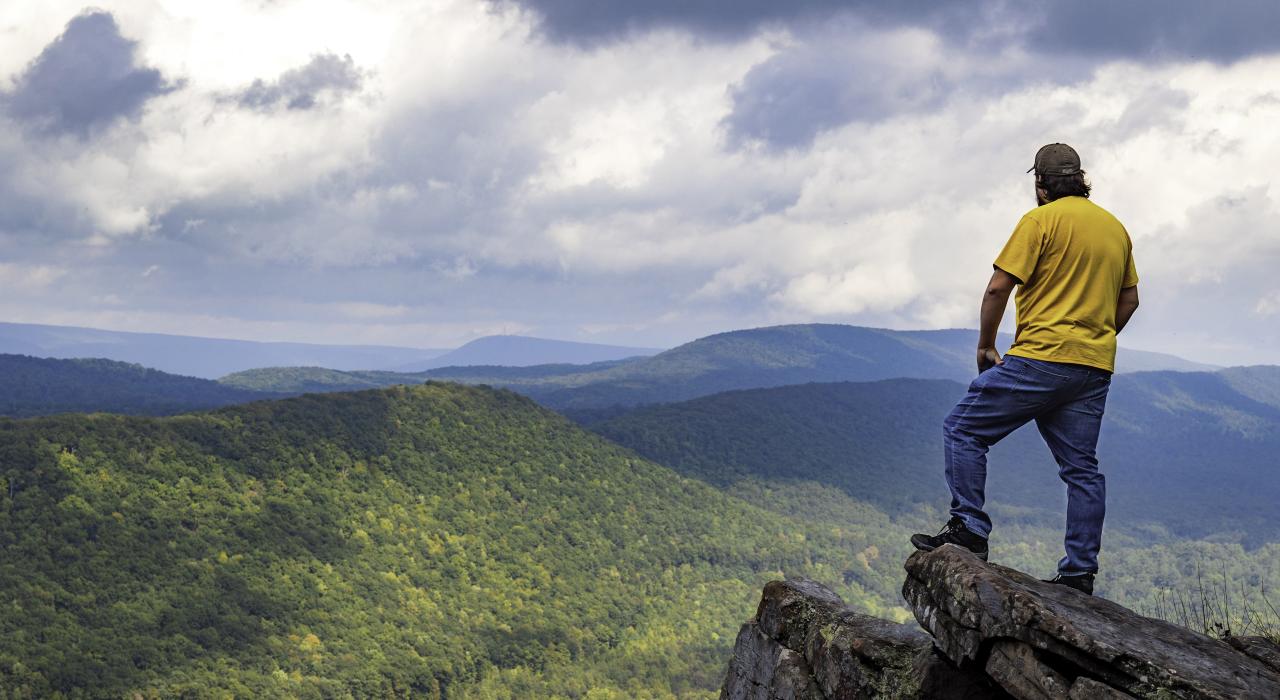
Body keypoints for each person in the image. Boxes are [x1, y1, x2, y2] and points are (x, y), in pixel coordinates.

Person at [910, 143, 1140, 596]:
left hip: (1040, 357)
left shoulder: (1039, 220)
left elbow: (998, 288)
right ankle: (1079, 571)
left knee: (963, 429)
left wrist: (985, 346)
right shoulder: (1115, 229)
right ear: (1081, 179)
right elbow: (1129, 299)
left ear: (1040, 184)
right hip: (1093, 366)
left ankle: (970, 528)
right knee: (1082, 470)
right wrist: (1094, 336)